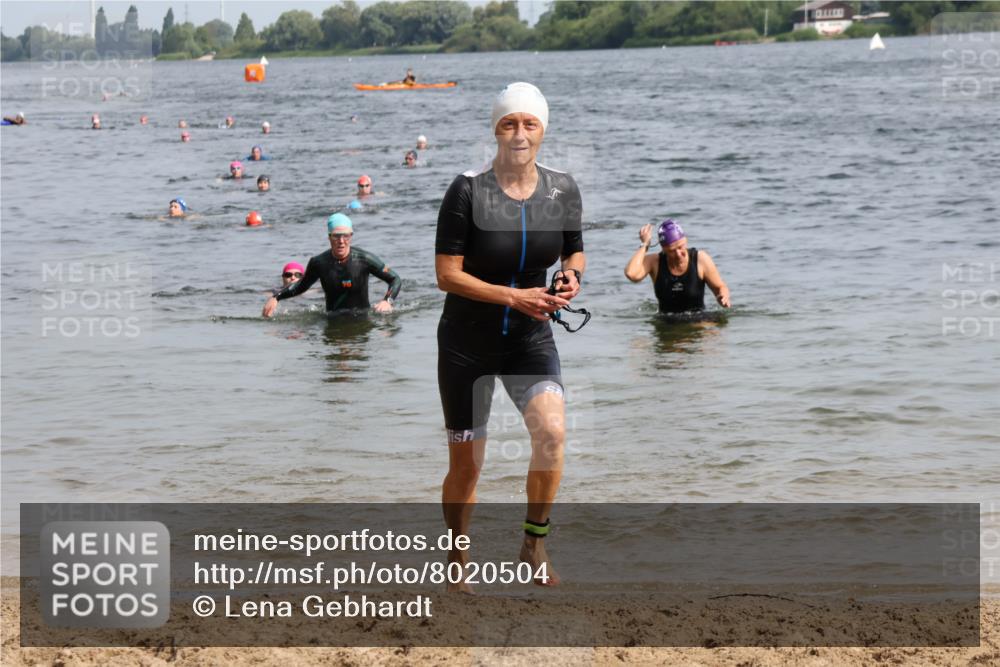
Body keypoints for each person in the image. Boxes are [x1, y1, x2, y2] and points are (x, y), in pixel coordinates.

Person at [435, 82, 585, 591]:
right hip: (466, 342)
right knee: (467, 468)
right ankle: (457, 560)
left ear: (543, 129)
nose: (519, 133)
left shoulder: (562, 188)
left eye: (529, 123)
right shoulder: (467, 189)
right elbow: (447, 275)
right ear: (495, 128)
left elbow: (574, 250)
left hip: (529, 337)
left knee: (553, 435)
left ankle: (533, 543)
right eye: (509, 123)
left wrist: (571, 277)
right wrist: (513, 295)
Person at [262, 213, 401, 317]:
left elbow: (395, 279)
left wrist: (387, 301)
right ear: (329, 237)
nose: (341, 241)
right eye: (336, 236)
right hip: (332, 320)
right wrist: (276, 297)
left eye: (345, 236)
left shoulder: (364, 258)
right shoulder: (319, 262)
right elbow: (300, 286)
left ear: (351, 236)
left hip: (362, 319)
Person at [624, 219, 731, 313]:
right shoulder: (655, 262)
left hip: (697, 323)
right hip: (666, 325)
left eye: (681, 247)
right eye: (672, 251)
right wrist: (645, 245)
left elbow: (720, 287)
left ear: (685, 240)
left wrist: (723, 296)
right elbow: (632, 274)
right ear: (663, 249)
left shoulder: (700, 259)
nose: (678, 254)